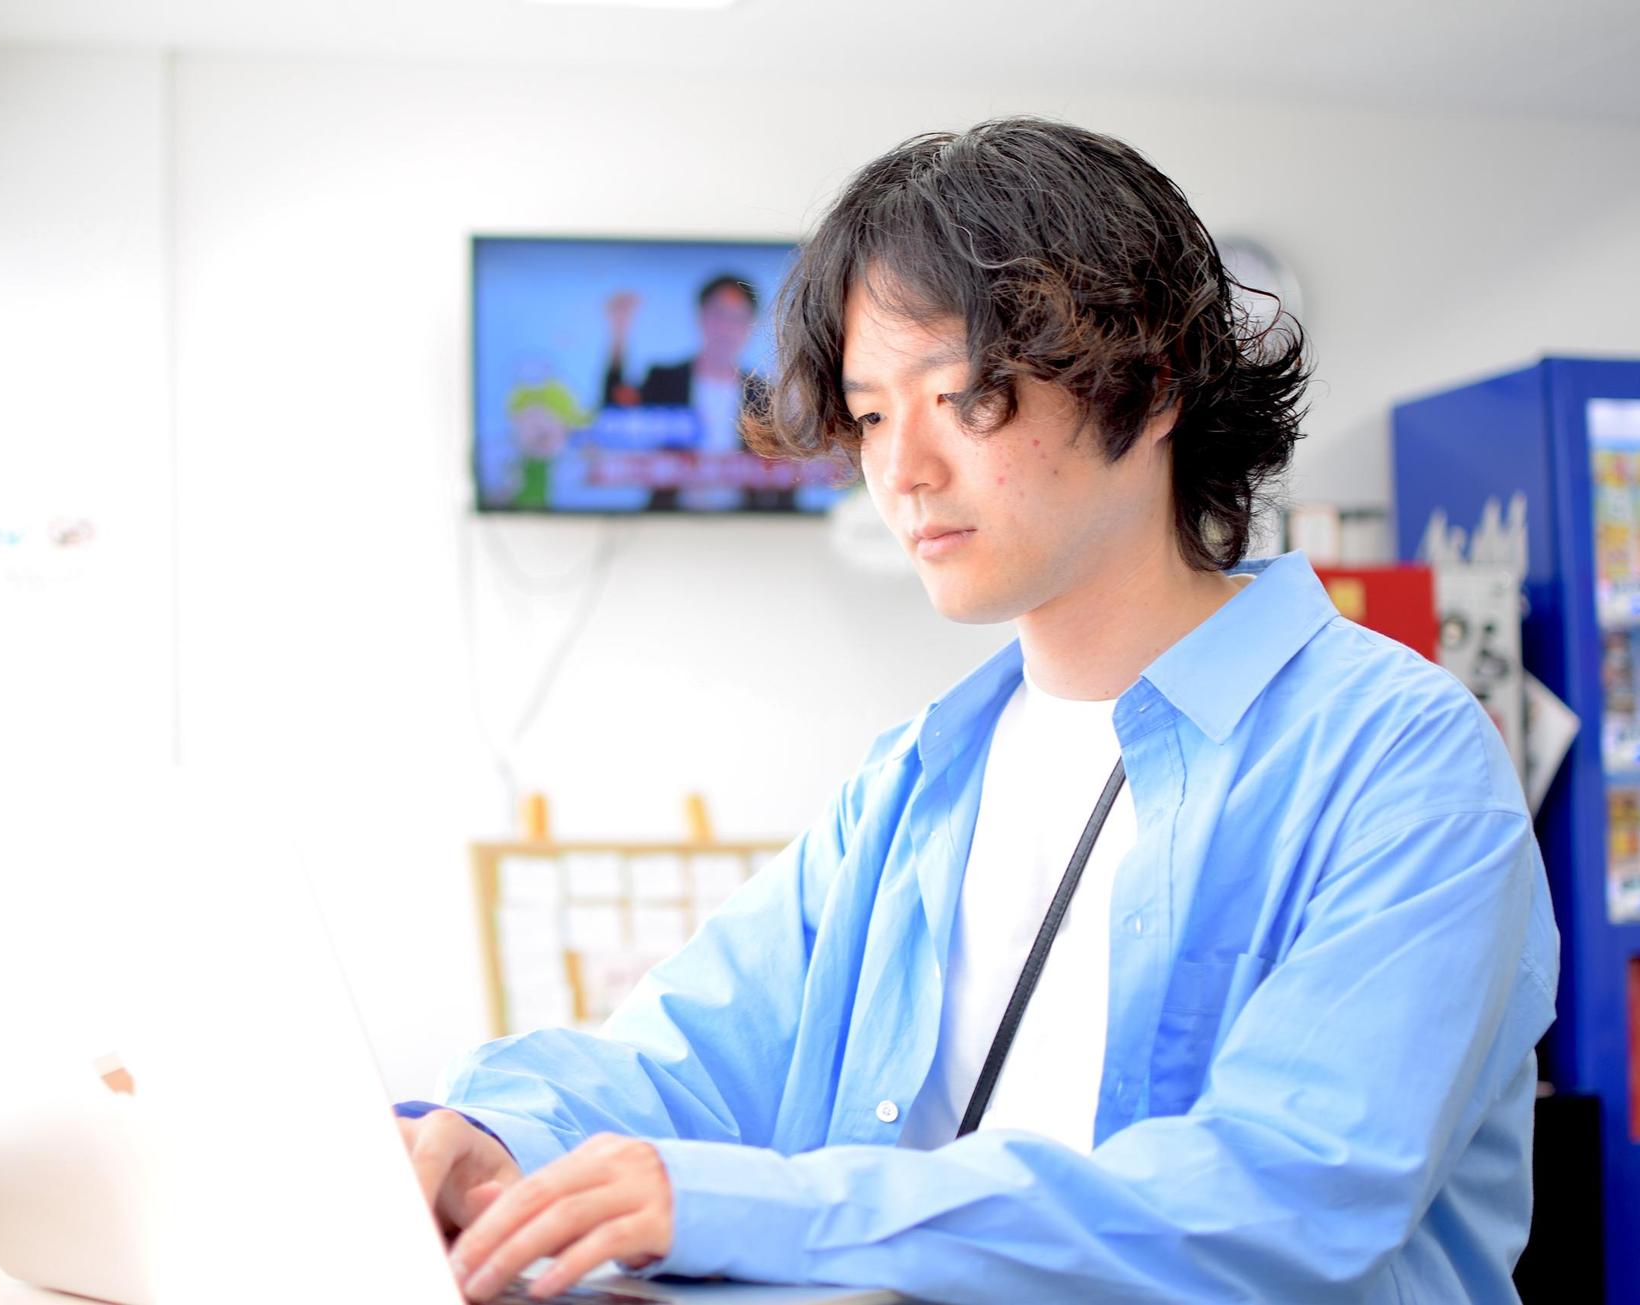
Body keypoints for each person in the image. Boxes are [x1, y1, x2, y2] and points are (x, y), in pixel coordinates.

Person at [399, 118, 1558, 1303]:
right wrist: (491, 1139)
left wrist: (756, 1207)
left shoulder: (1399, 759)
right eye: (869, 415)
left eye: (962, 396)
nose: (901, 469)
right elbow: (687, 1055)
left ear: (1149, 386)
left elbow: (1280, 1197)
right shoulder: (916, 779)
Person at [600, 274, 793, 512]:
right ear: (701, 316)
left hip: (745, 521)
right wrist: (619, 334)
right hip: (666, 519)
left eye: (737, 318)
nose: (726, 328)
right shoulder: (665, 380)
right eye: (719, 315)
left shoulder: (764, 393)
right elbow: (613, 412)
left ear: (750, 326)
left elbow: (784, 471)